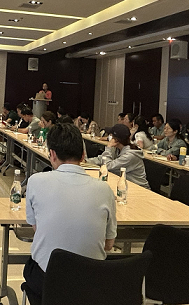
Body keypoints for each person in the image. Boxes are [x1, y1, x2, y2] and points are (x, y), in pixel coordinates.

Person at [24, 123, 117, 299]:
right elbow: (108, 244)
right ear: (83, 155)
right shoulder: (105, 189)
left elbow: (38, 230)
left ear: (52, 154)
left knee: (33, 265)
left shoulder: (35, 181)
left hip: (49, 281)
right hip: (91, 283)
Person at [88, 124, 150, 189]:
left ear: (116, 140)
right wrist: (86, 161)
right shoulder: (116, 148)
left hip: (139, 188)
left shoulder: (130, 155)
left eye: (111, 136)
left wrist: (108, 147)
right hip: (125, 185)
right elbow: (102, 159)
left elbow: (107, 167)